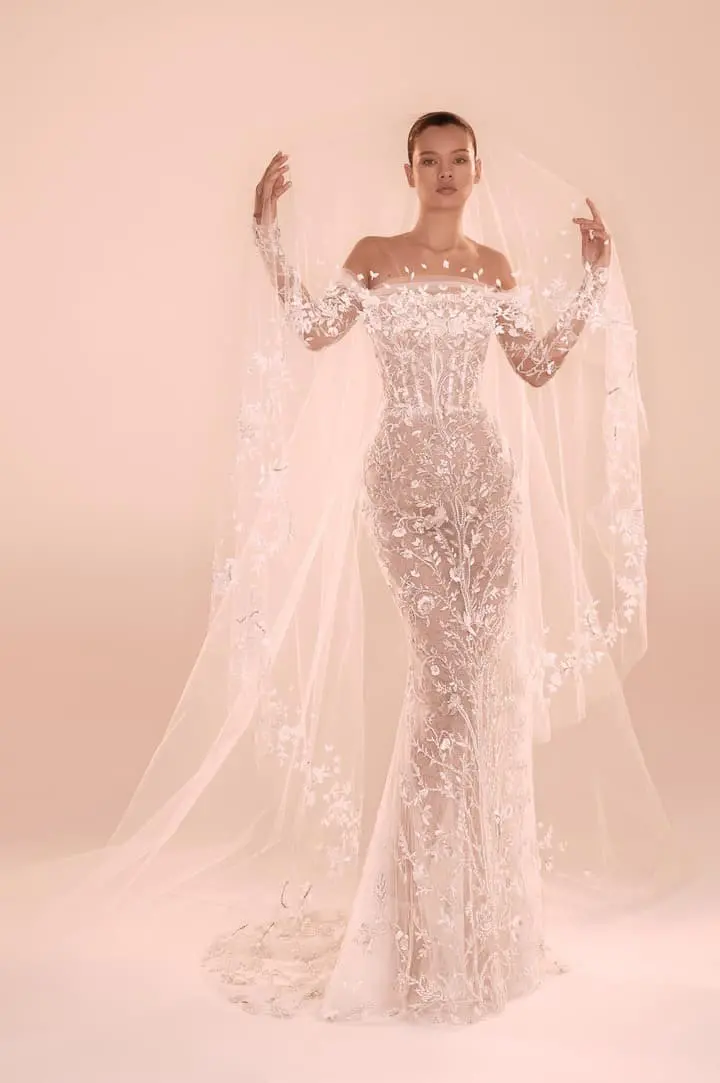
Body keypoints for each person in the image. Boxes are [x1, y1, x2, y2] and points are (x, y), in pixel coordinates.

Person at [196, 111, 665, 1024]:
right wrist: (268, 235)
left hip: (486, 489)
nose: (445, 173)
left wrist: (593, 282)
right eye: (429, 160)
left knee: (475, 691)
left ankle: (478, 917)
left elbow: (535, 366)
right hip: (404, 482)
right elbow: (313, 328)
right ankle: (410, 922)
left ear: (477, 171)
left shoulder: (493, 267)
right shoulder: (375, 256)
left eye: (458, 160)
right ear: (408, 171)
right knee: (444, 684)